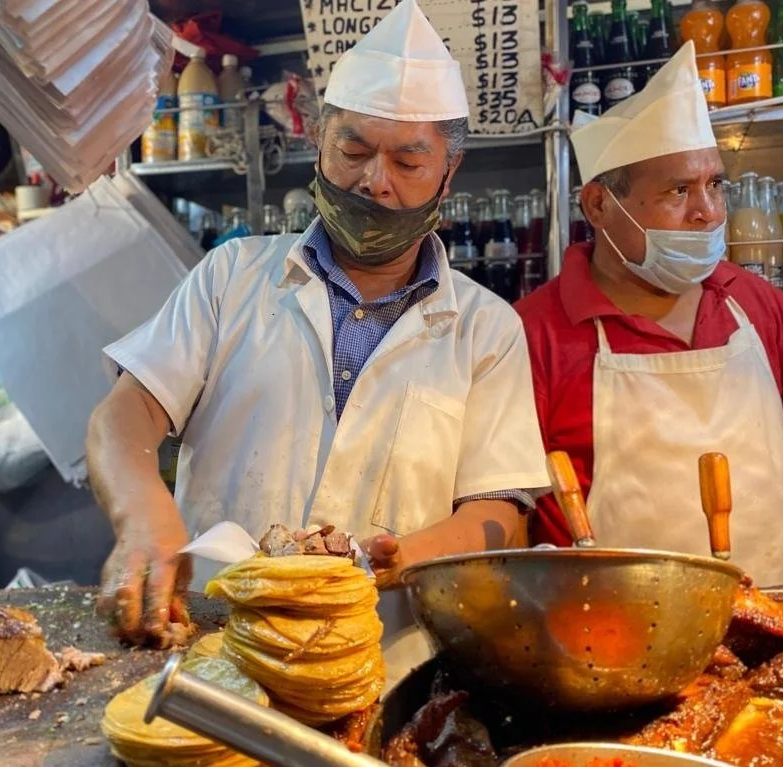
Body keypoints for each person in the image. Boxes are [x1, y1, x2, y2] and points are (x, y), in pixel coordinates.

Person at [87, 0, 549, 688]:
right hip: (212, 658)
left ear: (448, 177)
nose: (374, 180)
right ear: (318, 142)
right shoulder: (231, 277)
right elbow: (122, 418)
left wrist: (389, 557)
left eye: (406, 161)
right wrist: (142, 514)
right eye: (353, 150)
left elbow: (496, 515)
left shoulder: (485, 330)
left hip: (387, 662)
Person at [515, 42, 783, 585]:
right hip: (614, 641)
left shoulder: (754, 304)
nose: (707, 213)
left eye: (715, 184)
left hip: (776, 622)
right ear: (597, 206)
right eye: (677, 190)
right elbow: (510, 515)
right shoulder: (532, 334)